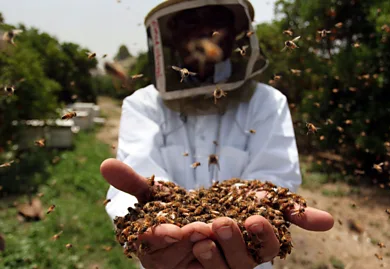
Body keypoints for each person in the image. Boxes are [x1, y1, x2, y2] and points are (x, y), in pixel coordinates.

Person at [100, 0, 334, 268]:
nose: (203, 29)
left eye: (214, 18)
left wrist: (262, 202)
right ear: (170, 34)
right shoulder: (142, 104)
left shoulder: (267, 101)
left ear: (234, 31)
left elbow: (275, 178)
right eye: (189, 19)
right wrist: (154, 219)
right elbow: (133, 187)